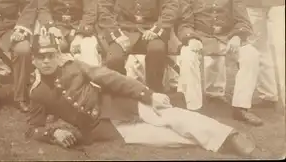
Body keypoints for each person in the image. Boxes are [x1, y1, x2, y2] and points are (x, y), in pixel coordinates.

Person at [25, 29, 257, 157]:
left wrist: (147, 95)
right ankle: (218, 145)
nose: (46, 61)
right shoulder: (37, 92)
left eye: (50, 55)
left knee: (171, 116)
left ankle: (228, 136)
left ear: (57, 55)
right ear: (33, 60)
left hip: (120, 104)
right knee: (166, 139)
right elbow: (33, 127)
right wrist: (53, 134)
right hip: (104, 128)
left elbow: (112, 78)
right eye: (41, 57)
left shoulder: (74, 65)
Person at [178, 0, 263, 125]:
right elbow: (183, 23)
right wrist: (191, 38)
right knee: (186, 55)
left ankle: (241, 108)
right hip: (200, 38)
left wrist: (237, 37)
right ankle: (194, 108)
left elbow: (243, 21)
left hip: (226, 39)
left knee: (251, 54)